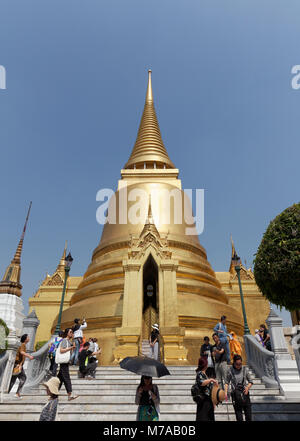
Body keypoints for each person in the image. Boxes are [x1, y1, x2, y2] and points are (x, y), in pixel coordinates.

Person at [224, 354, 253, 421]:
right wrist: (225, 392)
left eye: (240, 364)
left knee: (248, 415)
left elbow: (251, 381)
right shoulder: (230, 370)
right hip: (236, 396)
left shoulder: (244, 369)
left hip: (245, 394)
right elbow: (226, 382)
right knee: (239, 416)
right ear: (233, 363)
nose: (239, 366)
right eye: (237, 364)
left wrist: (247, 388)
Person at [8, 334, 34, 398]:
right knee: (23, 378)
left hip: (18, 364)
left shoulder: (23, 344)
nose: (29, 338)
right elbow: (21, 352)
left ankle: (7, 392)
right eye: (28, 337)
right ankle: (17, 393)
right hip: (18, 365)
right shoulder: (23, 344)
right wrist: (29, 356)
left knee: (13, 380)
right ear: (25, 339)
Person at [57, 328, 79, 401]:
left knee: (60, 379)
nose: (71, 333)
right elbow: (61, 350)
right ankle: (70, 394)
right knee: (66, 378)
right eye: (70, 332)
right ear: (67, 333)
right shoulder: (64, 340)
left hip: (66, 362)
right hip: (64, 362)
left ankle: (53, 394)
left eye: (72, 332)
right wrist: (70, 348)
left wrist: (73, 340)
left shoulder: (69, 341)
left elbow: (74, 348)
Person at [195, 356, 218, 421]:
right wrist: (211, 380)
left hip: (209, 401)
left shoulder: (206, 374)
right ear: (205, 364)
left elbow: (211, 389)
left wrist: (214, 402)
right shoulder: (199, 373)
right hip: (203, 401)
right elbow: (201, 383)